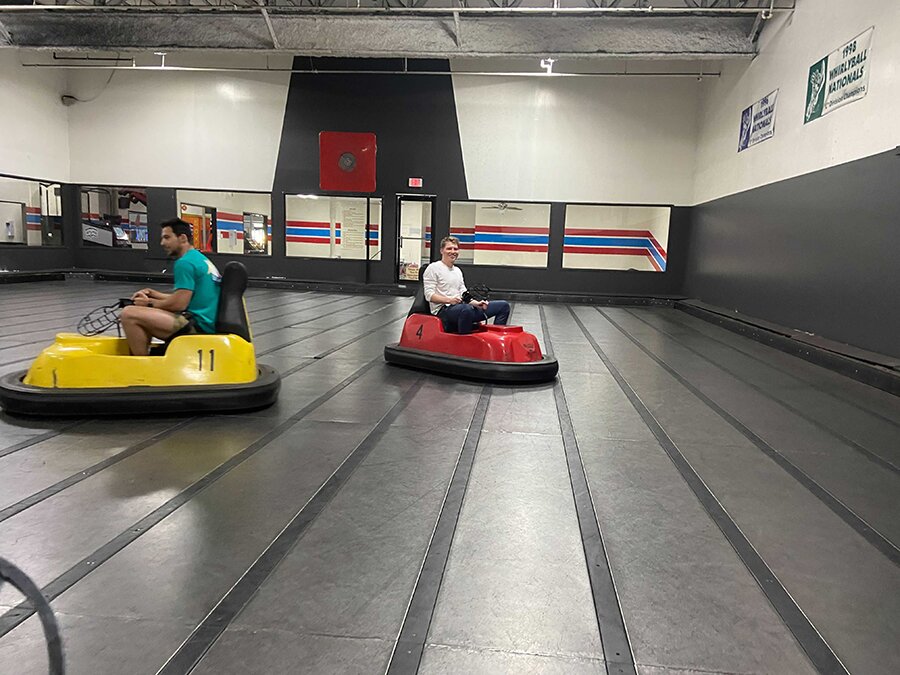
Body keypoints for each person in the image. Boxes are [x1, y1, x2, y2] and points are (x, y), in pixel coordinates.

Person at [120, 218, 222, 355]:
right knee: (139, 311)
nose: (163, 243)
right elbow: (189, 296)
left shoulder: (184, 263)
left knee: (129, 314)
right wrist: (154, 294)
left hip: (197, 326)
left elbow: (179, 304)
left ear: (182, 238)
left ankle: (142, 367)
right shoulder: (198, 258)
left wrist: (148, 303)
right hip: (207, 322)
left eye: (167, 238)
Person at [423, 236, 510, 334]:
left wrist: (476, 303)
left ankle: (497, 337)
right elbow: (429, 295)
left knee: (503, 306)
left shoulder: (457, 271)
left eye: (455, 249)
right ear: (442, 250)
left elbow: (464, 294)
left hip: (462, 308)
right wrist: (449, 300)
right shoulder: (433, 268)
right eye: (449, 248)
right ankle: (464, 342)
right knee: (467, 310)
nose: (453, 251)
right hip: (444, 310)